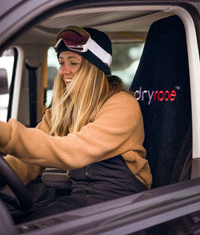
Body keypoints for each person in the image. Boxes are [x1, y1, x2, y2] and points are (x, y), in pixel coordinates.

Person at [0, 26, 152, 222]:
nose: (63, 70)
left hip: (120, 207)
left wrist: (6, 134)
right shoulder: (64, 109)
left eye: (73, 62)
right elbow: (29, 162)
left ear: (93, 68)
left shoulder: (122, 105)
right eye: (61, 62)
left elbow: (73, 150)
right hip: (80, 200)